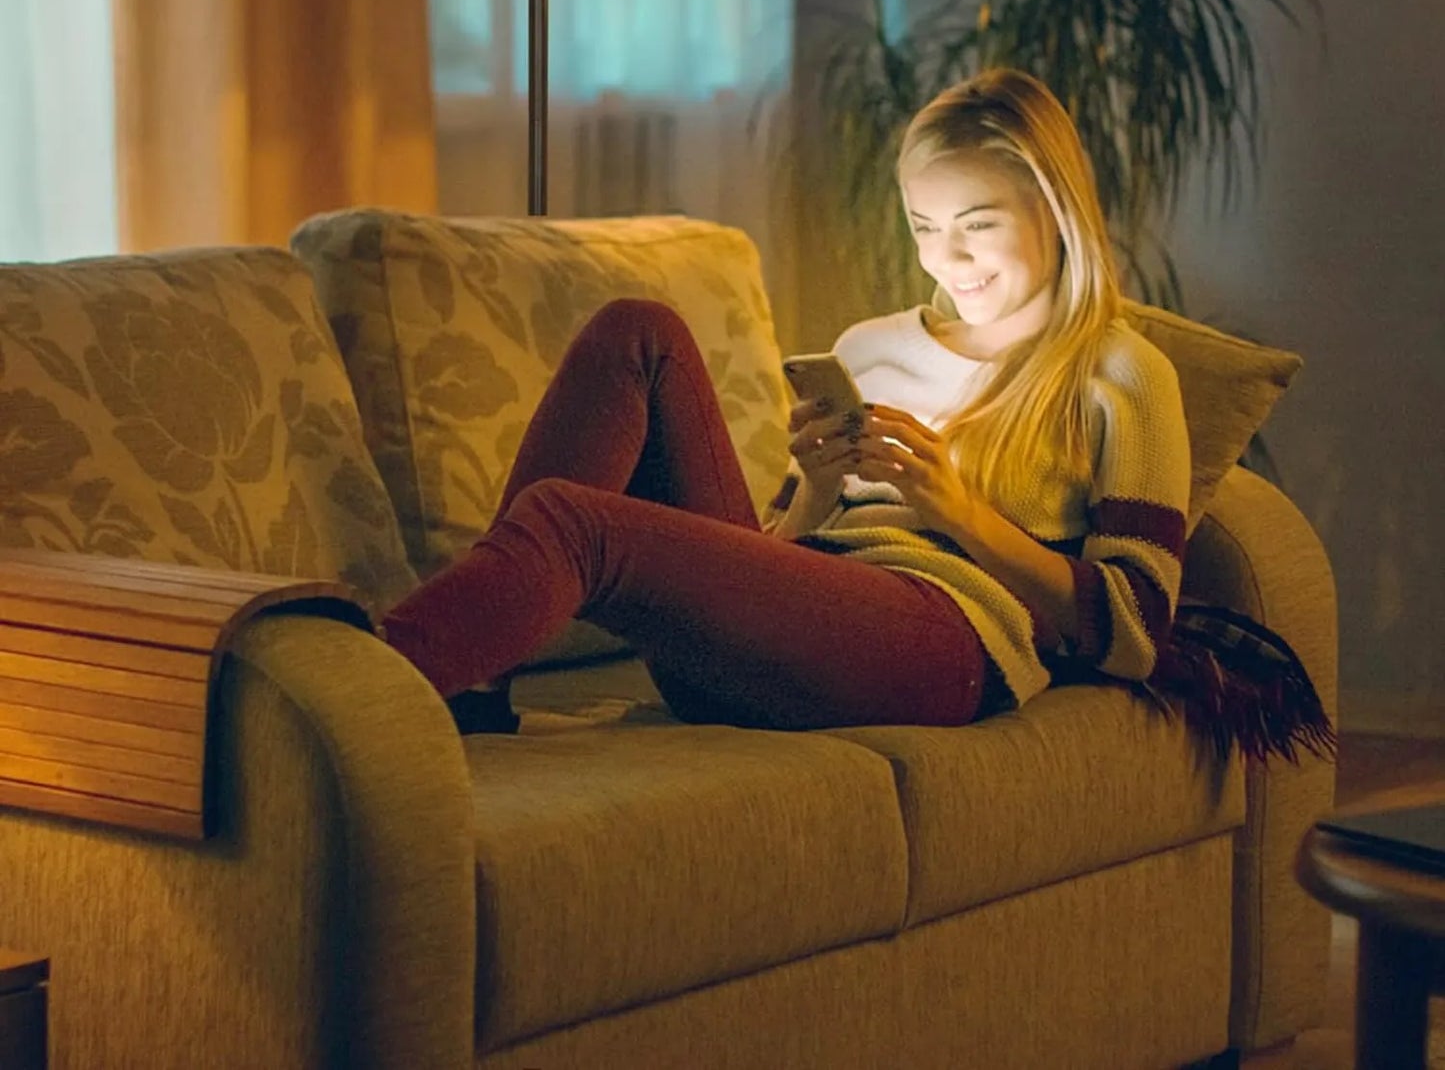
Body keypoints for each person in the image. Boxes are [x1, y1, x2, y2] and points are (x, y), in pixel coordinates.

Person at [379, 68, 1192, 736]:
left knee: (575, 520)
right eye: (923, 225)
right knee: (637, 331)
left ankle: (361, 690)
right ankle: (472, 684)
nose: (948, 259)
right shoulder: (867, 347)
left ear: (1054, 210)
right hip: (789, 630)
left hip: (941, 639)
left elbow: (1134, 635)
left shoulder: (1118, 373)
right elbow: (774, 554)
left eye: (977, 224)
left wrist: (957, 511)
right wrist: (815, 490)